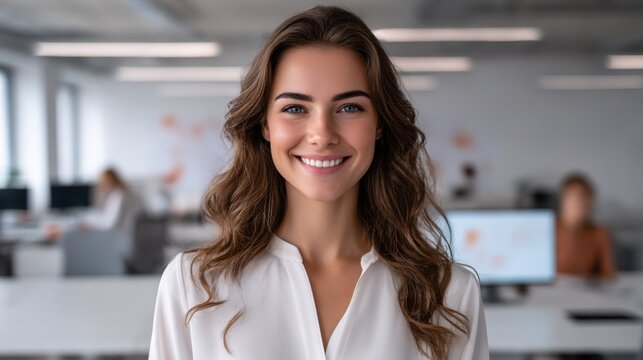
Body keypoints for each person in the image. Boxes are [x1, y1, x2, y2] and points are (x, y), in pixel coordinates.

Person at [149, 6, 488, 360]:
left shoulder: (448, 293)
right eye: (295, 108)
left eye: (349, 108)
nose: (322, 135)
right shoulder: (194, 285)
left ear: (380, 124)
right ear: (264, 125)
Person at [556, 173, 616, 280]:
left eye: (587, 198)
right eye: (577, 197)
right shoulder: (547, 229)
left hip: (587, 293)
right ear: (564, 200)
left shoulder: (599, 233)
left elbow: (609, 275)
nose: (583, 203)